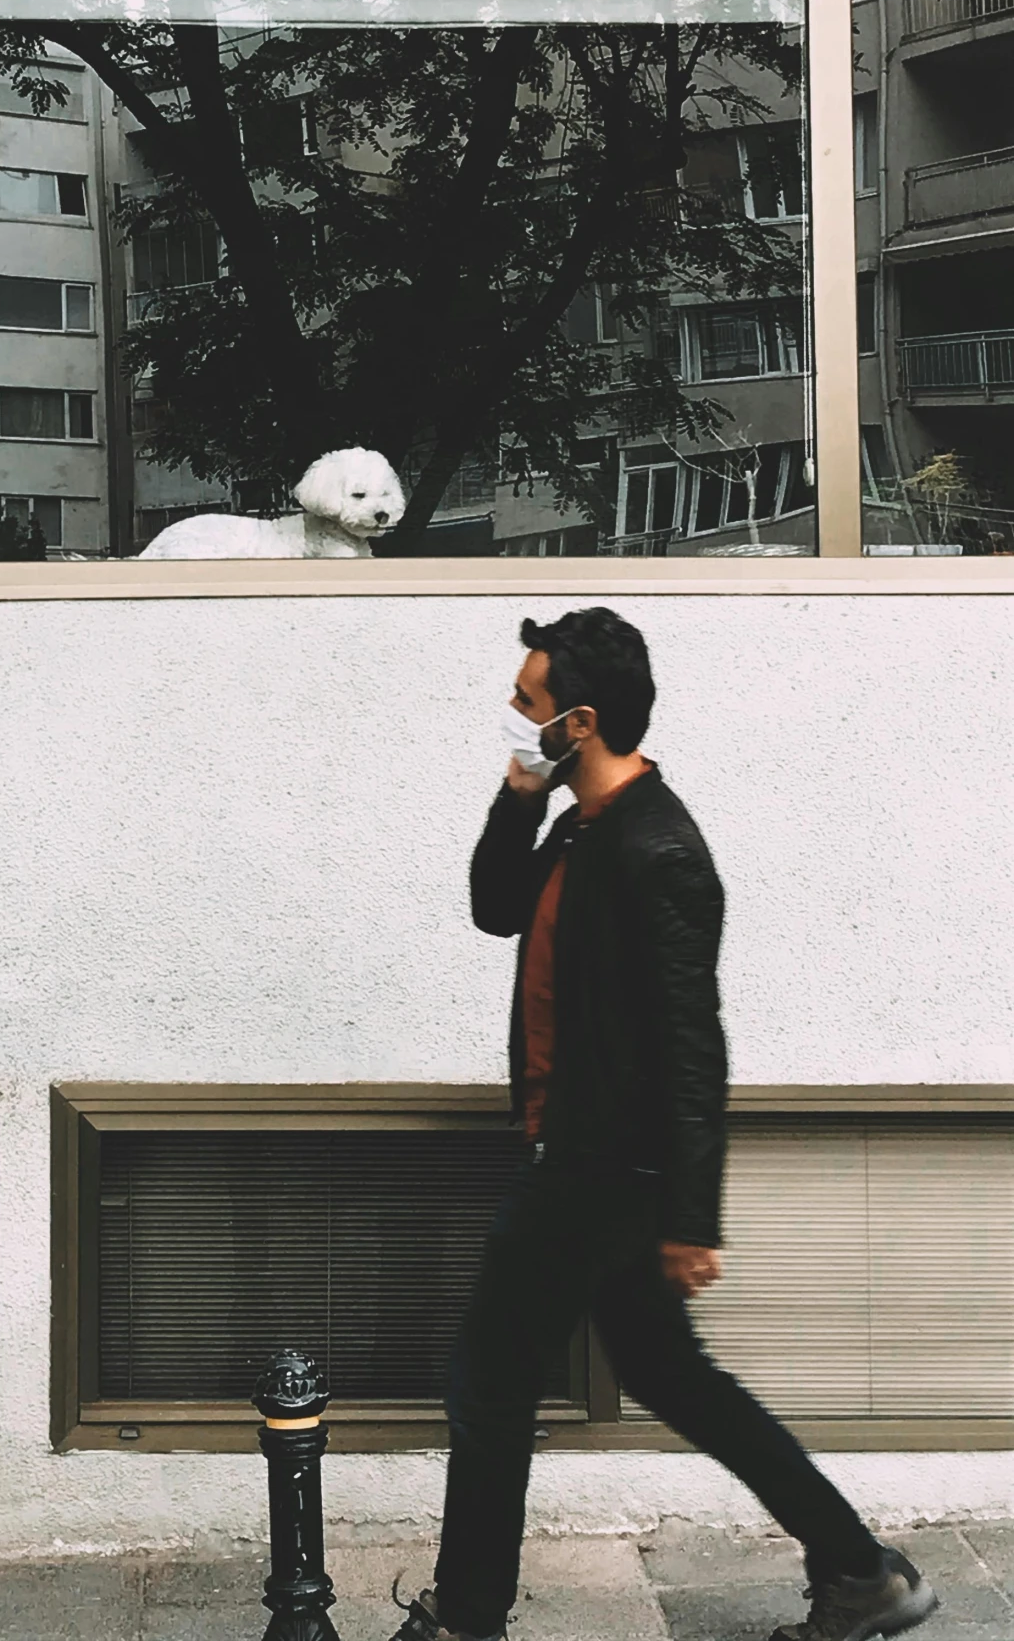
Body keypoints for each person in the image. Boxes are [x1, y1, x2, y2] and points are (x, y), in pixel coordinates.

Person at [389, 609, 938, 1641]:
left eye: (529, 701)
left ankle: (464, 1618)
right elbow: (494, 907)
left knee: (493, 1382)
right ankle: (862, 1572)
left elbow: (696, 1048)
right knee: (667, 1372)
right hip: (588, 1157)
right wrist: (518, 793)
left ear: (580, 720)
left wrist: (691, 1216)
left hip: (602, 1168)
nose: (513, 712)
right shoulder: (580, 823)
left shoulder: (660, 849)